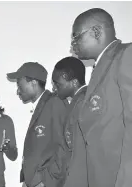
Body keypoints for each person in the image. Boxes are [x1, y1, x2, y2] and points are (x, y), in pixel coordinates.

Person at [71, 8, 132, 187]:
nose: (73, 44)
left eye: (76, 37)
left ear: (96, 32)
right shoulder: (101, 68)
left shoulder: (126, 55)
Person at [7, 62, 67, 187]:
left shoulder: (55, 103)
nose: (18, 91)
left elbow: (64, 146)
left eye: (19, 84)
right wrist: (26, 179)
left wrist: (46, 179)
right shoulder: (42, 105)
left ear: (33, 83)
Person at [51, 56, 87, 187]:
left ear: (73, 82)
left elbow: (80, 150)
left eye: (57, 83)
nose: (54, 88)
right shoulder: (76, 102)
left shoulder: (83, 103)